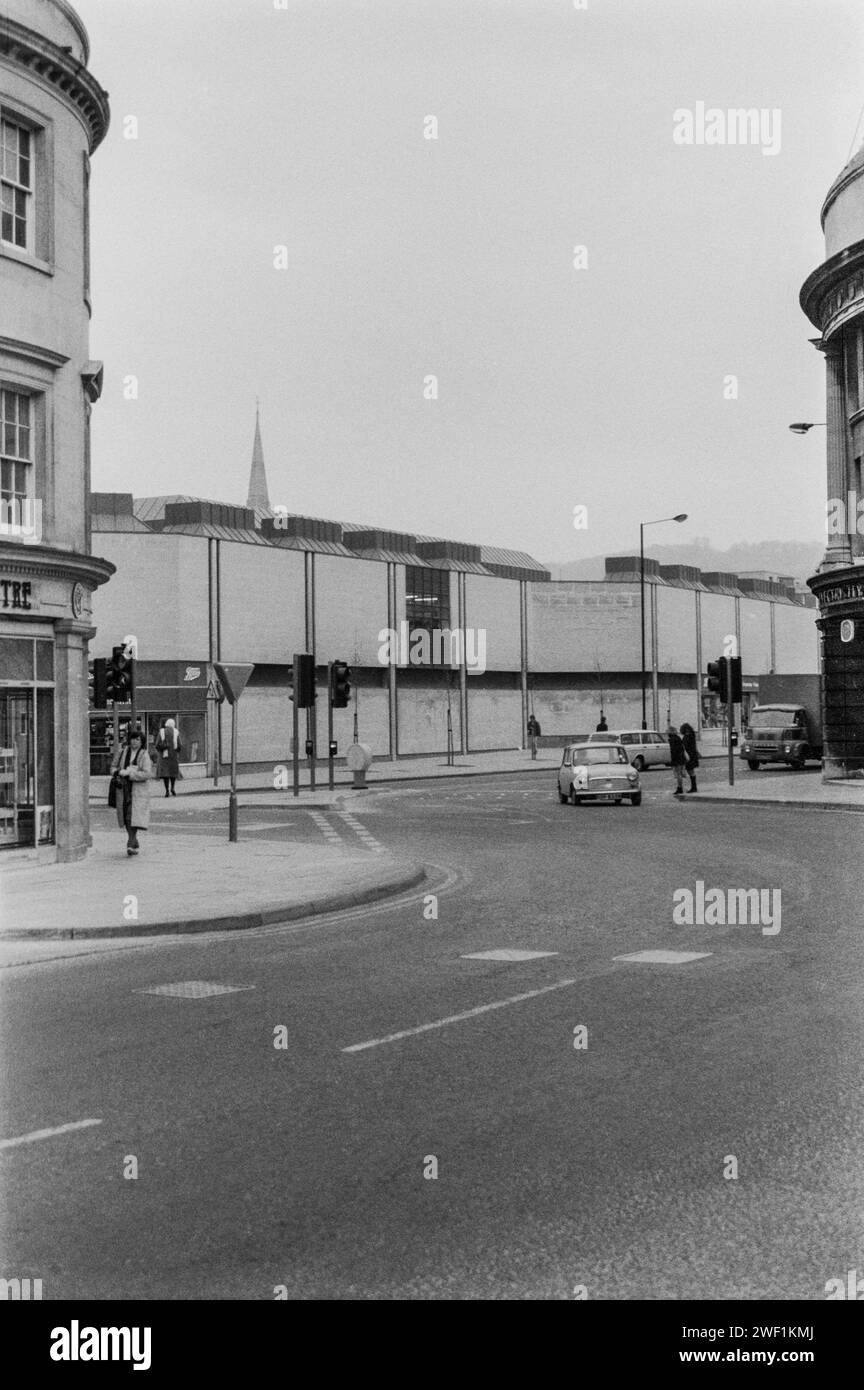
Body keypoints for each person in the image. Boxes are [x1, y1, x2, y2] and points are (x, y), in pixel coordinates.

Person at [111, 726, 152, 855]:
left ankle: (130, 841)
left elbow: (147, 774)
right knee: (126, 816)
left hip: (138, 791)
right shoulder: (123, 752)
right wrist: (117, 772)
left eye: (137, 740)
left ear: (142, 742)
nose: (134, 742)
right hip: (123, 789)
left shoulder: (144, 755)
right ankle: (134, 840)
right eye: (133, 739)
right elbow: (113, 766)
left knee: (132, 816)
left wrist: (130, 774)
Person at [155, 717, 182, 796]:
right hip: (173, 756)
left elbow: (157, 744)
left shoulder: (161, 732)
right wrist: (177, 751)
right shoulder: (176, 732)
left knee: (165, 774)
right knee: (173, 773)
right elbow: (180, 745)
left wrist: (161, 750)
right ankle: (172, 788)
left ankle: (166, 790)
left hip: (164, 756)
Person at [680, 721, 700, 793]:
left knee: (690, 771)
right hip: (693, 754)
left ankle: (694, 787)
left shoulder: (686, 737)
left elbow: (684, 746)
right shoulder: (692, 735)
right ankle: (694, 787)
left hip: (689, 755)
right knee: (692, 771)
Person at [667, 724, 686, 796]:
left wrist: (672, 761)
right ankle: (680, 787)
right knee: (680, 774)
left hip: (677, 759)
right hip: (681, 758)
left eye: (668, 731)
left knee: (678, 774)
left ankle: (680, 788)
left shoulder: (672, 740)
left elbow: (673, 751)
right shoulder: (678, 738)